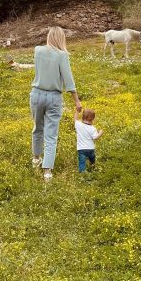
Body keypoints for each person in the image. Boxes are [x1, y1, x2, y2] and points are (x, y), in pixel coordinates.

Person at [30, 26, 82, 181]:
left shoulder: (37, 50)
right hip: (54, 97)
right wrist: (76, 100)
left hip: (37, 94)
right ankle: (47, 172)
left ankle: (36, 159)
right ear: (61, 38)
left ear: (49, 36)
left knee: (37, 128)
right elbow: (68, 79)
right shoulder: (62, 55)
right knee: (51, 135)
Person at [74, 108, 103, 172]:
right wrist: (100, 133)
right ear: (93, 119)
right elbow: (95, 137)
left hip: (81, 149)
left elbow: (75, 119)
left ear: (82, 117)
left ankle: (82, 174)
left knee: (82, 162)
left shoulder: (79, 125)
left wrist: (77, 111)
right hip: (90, 149)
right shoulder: (93, 128)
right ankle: (92, 168)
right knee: (92, 159)